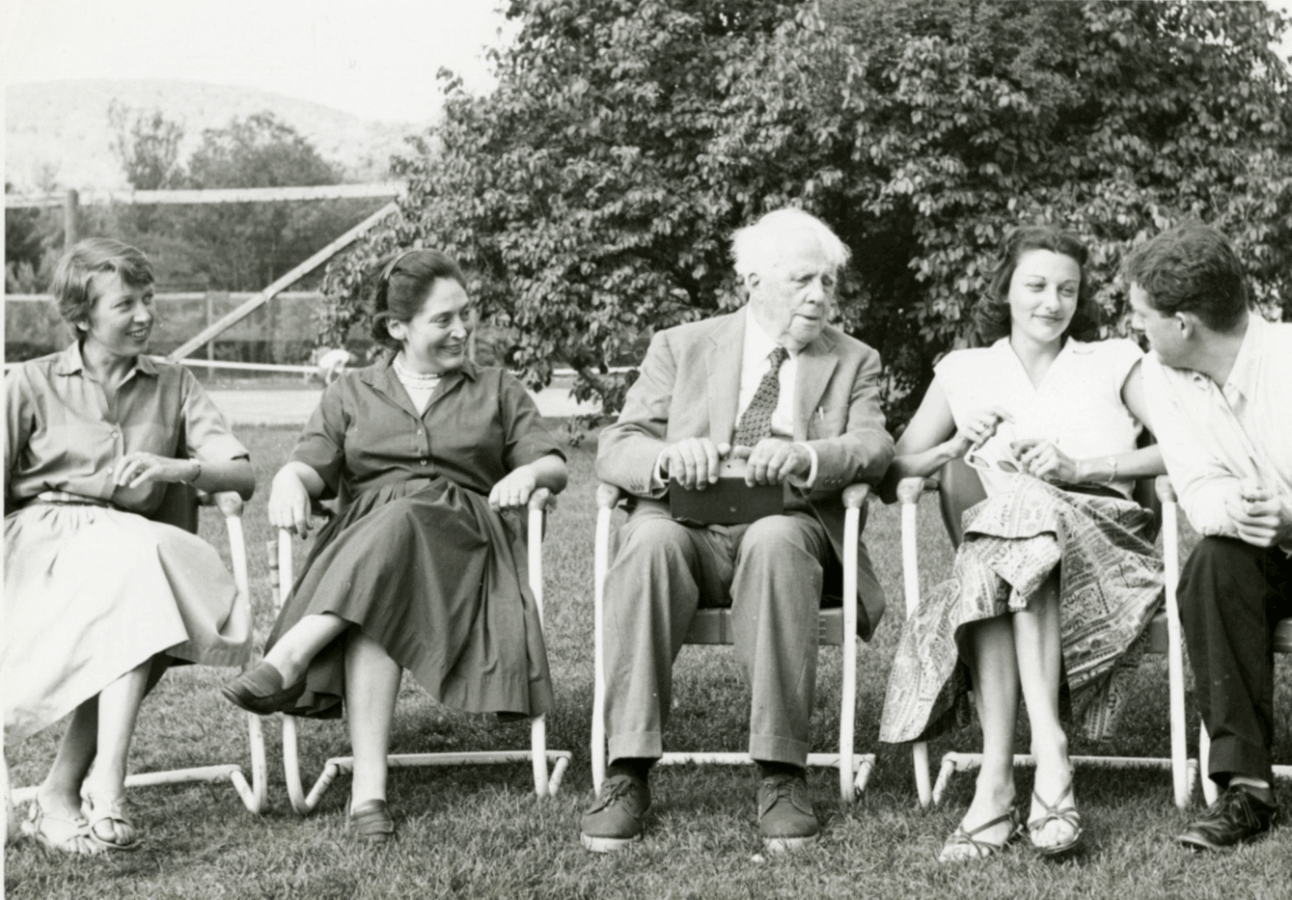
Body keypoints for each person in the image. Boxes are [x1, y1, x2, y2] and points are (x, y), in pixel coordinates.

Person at [221, 248, 568, 842]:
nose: (462, 330)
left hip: (466, 550)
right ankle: (368, 798)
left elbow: (554, 465)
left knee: (410, 512)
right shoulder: (353, 392)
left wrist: (527, 475)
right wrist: (287, 479)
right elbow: (312, 465)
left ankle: (293, 653)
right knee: (377, 599)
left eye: (466, 314)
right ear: (396, 328)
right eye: (443, 320)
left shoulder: (496, 389)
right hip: (372, 559)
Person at [582, 208, 895, 853]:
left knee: (777, 541)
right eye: (802, 280)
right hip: (686, 524)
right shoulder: (683, 344)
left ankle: (781, 774)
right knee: (647, 543)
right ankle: (628, 771)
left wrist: (810, 457)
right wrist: (667, 458)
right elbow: (620, 443)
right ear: (752, 280)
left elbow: (873, 443)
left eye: (829, 283)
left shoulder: (854, 359)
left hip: (786, 525)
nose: (818, 296)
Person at [879, 225, 1165, 862]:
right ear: (1005, 289)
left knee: (1019, 518)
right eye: (1035, 285)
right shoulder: (964, 370)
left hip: (1105, 541)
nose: (1051, 302)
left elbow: (1180, 445)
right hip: (1006, 550)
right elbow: (896, 468)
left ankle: (999, 780)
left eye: (1067, 289)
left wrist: (1079, 468)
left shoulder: (1115, 359)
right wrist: (952, 448)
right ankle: (1042, 764)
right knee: (1009, 536)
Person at [4, 238, 255, 855]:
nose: (145, 314)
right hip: (45, 545)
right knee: (139, 577)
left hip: (134, 552)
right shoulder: (28, 384)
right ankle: (101, 785)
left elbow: (241, 472)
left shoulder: (175, 382)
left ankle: (66, 793)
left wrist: (180, 472)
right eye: (126, 304)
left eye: (149, 299)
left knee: (136, 580)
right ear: (83, 317)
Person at [1127, 222, 1291, 851]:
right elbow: (1196, 487)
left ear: (1185, 323)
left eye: (1144, 317)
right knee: (1214, 565)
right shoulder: (1161, 374)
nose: (1139, 329)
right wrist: (1244, 508)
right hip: (1266, 551)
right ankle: (1246, 789)